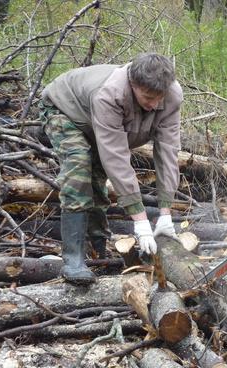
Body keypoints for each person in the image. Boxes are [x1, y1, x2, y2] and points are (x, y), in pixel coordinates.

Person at [40, 53, 183, 285]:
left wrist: (165, 213)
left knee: (96, 178)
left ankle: (98, 250)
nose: (155, 104)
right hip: (65, 110)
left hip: (95, 118)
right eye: (148, 97)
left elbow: (168, 152)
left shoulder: (172, 95)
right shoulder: (110, 94)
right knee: (79, 169)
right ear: (133, 84)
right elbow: (116, 157)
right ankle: (73, 259)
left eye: (160, 98)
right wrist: (141, 221)